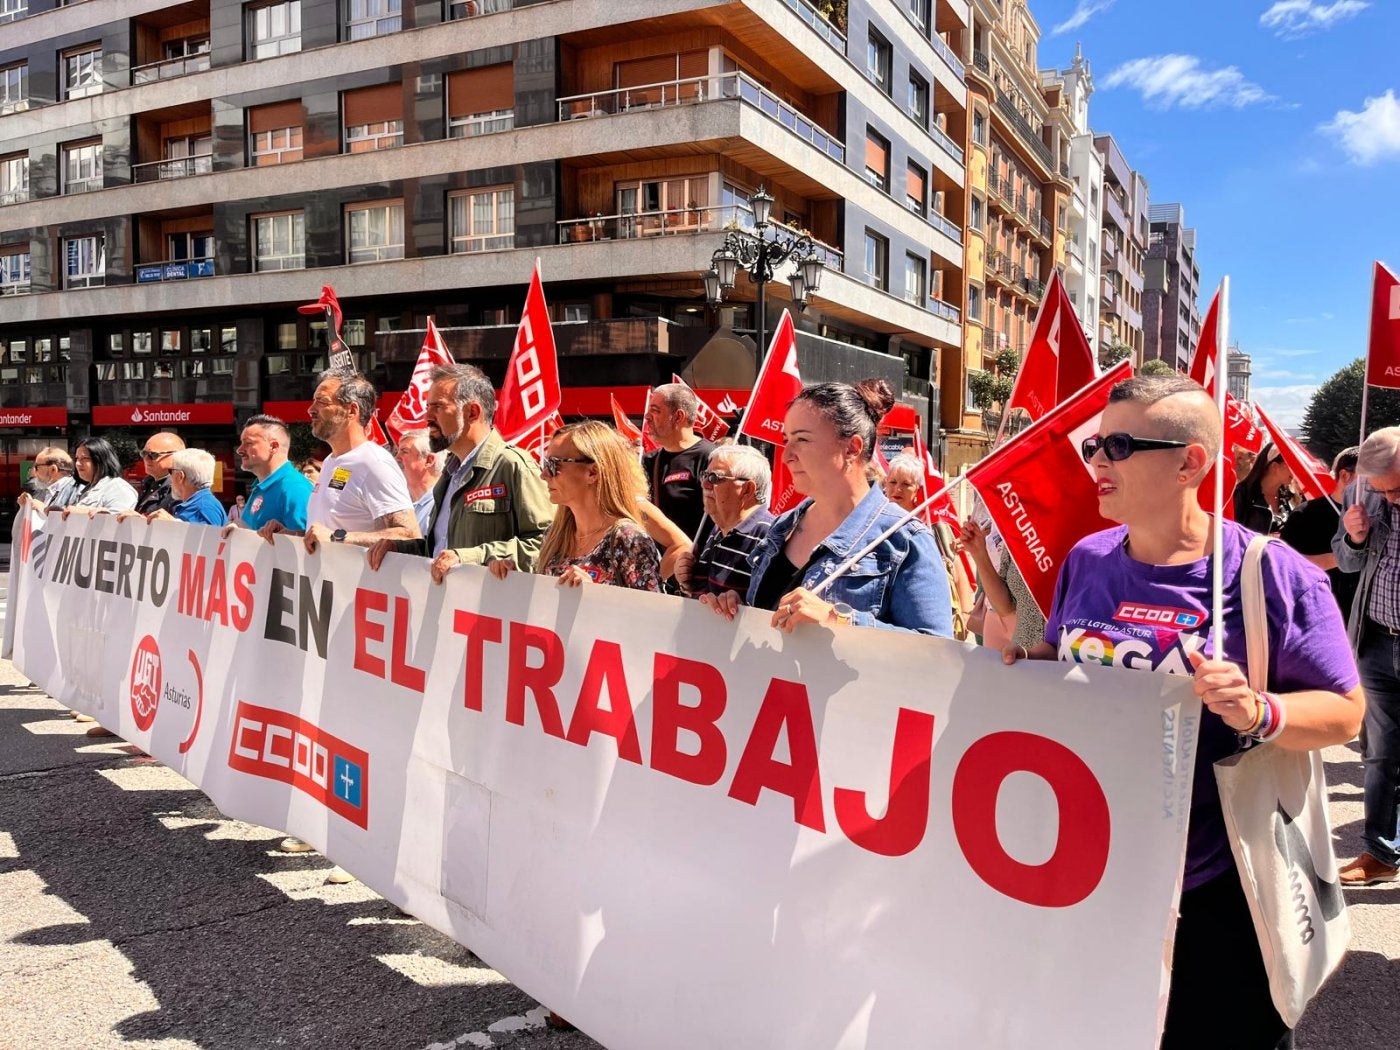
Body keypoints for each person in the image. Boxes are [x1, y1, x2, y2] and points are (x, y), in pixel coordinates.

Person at [1010, 374, 1361, 1049]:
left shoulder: (1272, 573)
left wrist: (1260, 711)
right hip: (1094, 872)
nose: (1097, 463)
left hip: (1218, 889)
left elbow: (1346, 713)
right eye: (1093, 446)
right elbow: (1062, 651)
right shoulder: (1087, 559)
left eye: (1117, 445)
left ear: (1190, 463)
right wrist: (1031, 670)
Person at [701, 380, 952, 636]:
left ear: (852, 448)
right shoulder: (782, 527)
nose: (787, 455)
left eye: (802, 439)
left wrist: (838, 619)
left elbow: (936, 652)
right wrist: (737, 610)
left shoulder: (905, 540)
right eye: (786, 439)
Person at [368, 364, 553, 581]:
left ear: (472, 412)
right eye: (428, 406)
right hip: (452, 608)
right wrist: (400, 548)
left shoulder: (512, 465)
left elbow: (547, 546)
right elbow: (441, 549)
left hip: (489, 609)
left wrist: (468, 557)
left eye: (438, 407)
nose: (427, 417)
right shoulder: (450, 473)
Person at [1333, 427, 1400, 886]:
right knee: (1380, 754)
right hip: (1376, 640)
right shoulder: (1363, 493)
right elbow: (1345, 561)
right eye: (1381, 491)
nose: (1388, 499)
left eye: (1396, 489)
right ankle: (1381, 852)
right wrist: (1354, 537)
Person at [258, 369, 419, 553]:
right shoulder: (330, 461)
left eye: (322, 402)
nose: (311, 410)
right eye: (313, 401)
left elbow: (410, 535)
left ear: (351, 410)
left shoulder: (374, 462)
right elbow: (325, 533)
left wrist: (338, 537)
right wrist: (290, 534)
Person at [488, 420, 661, 592]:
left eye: (554, 464)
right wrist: (512, 579)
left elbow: (653, 614)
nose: (544, 475)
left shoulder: (628, 539)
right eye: (545, 464)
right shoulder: (555, 535)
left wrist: (595, 596)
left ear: (593, 472)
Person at [884, 453, 974, 638]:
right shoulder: (873, 523)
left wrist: (965, 616)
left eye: (906, 484)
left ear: (917, 489)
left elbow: (957, 572)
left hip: (924, 623)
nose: (897, 489)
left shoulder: (932, 526)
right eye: (892, 482)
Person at [674, 445, 774, 598]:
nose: (704, 484)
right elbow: (705, 596)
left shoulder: (768, 538)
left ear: (747, 489)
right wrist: (687, 581)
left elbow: (764, 611)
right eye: (705, 475)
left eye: (714, 478)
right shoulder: (719, 529)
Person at [1281, 446, 1358, 620]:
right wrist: (1350, 555)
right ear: (1345, 476)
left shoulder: (1376, 515)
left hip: (1361, 623)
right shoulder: (1305, 515)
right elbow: (1288, 565)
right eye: (1366, 480)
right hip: (1316, 615)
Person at [643, 383, 716, 541]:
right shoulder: (647, 462)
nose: (647, 417)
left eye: (655, 411)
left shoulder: (712, 458)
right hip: (662, 562)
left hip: (697, 560)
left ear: (678, 417)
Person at [231, 415, 313, 535]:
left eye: (248, 443)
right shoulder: (261, 486)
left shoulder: (295, 489)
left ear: (273, 447)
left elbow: (303, 548)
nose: (239, 450)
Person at [53, 438, 138, 516]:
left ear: (101, 460)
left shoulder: (118, 488)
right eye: (77, 459)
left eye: (85, 458)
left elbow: (117, 521)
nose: (78, 464)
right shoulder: (87, 489)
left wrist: (83, 512)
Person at [147, 449, 226, 526]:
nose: (170, 477)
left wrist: (173, 524)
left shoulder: (204, 506)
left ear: (180, 476)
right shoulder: (202, 503)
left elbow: (210, 537)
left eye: (170, 471)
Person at [1233, 442, 1295, 534]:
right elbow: (1232, 533)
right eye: (1291, 464)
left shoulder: (1288, 496)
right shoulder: (1243, 494)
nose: (1294, 470)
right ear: (1274, 466)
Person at [394, 429, 443, 536]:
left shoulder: (443, 505)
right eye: (397, 452)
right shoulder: (399, 503)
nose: (396, 458)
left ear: (429, 460)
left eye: (404, 451)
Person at [135, 431, 186, 515]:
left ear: (176, 456)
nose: (146, 459)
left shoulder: (182, 488)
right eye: (144, 453)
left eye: (153, 455)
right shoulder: (147, 483)